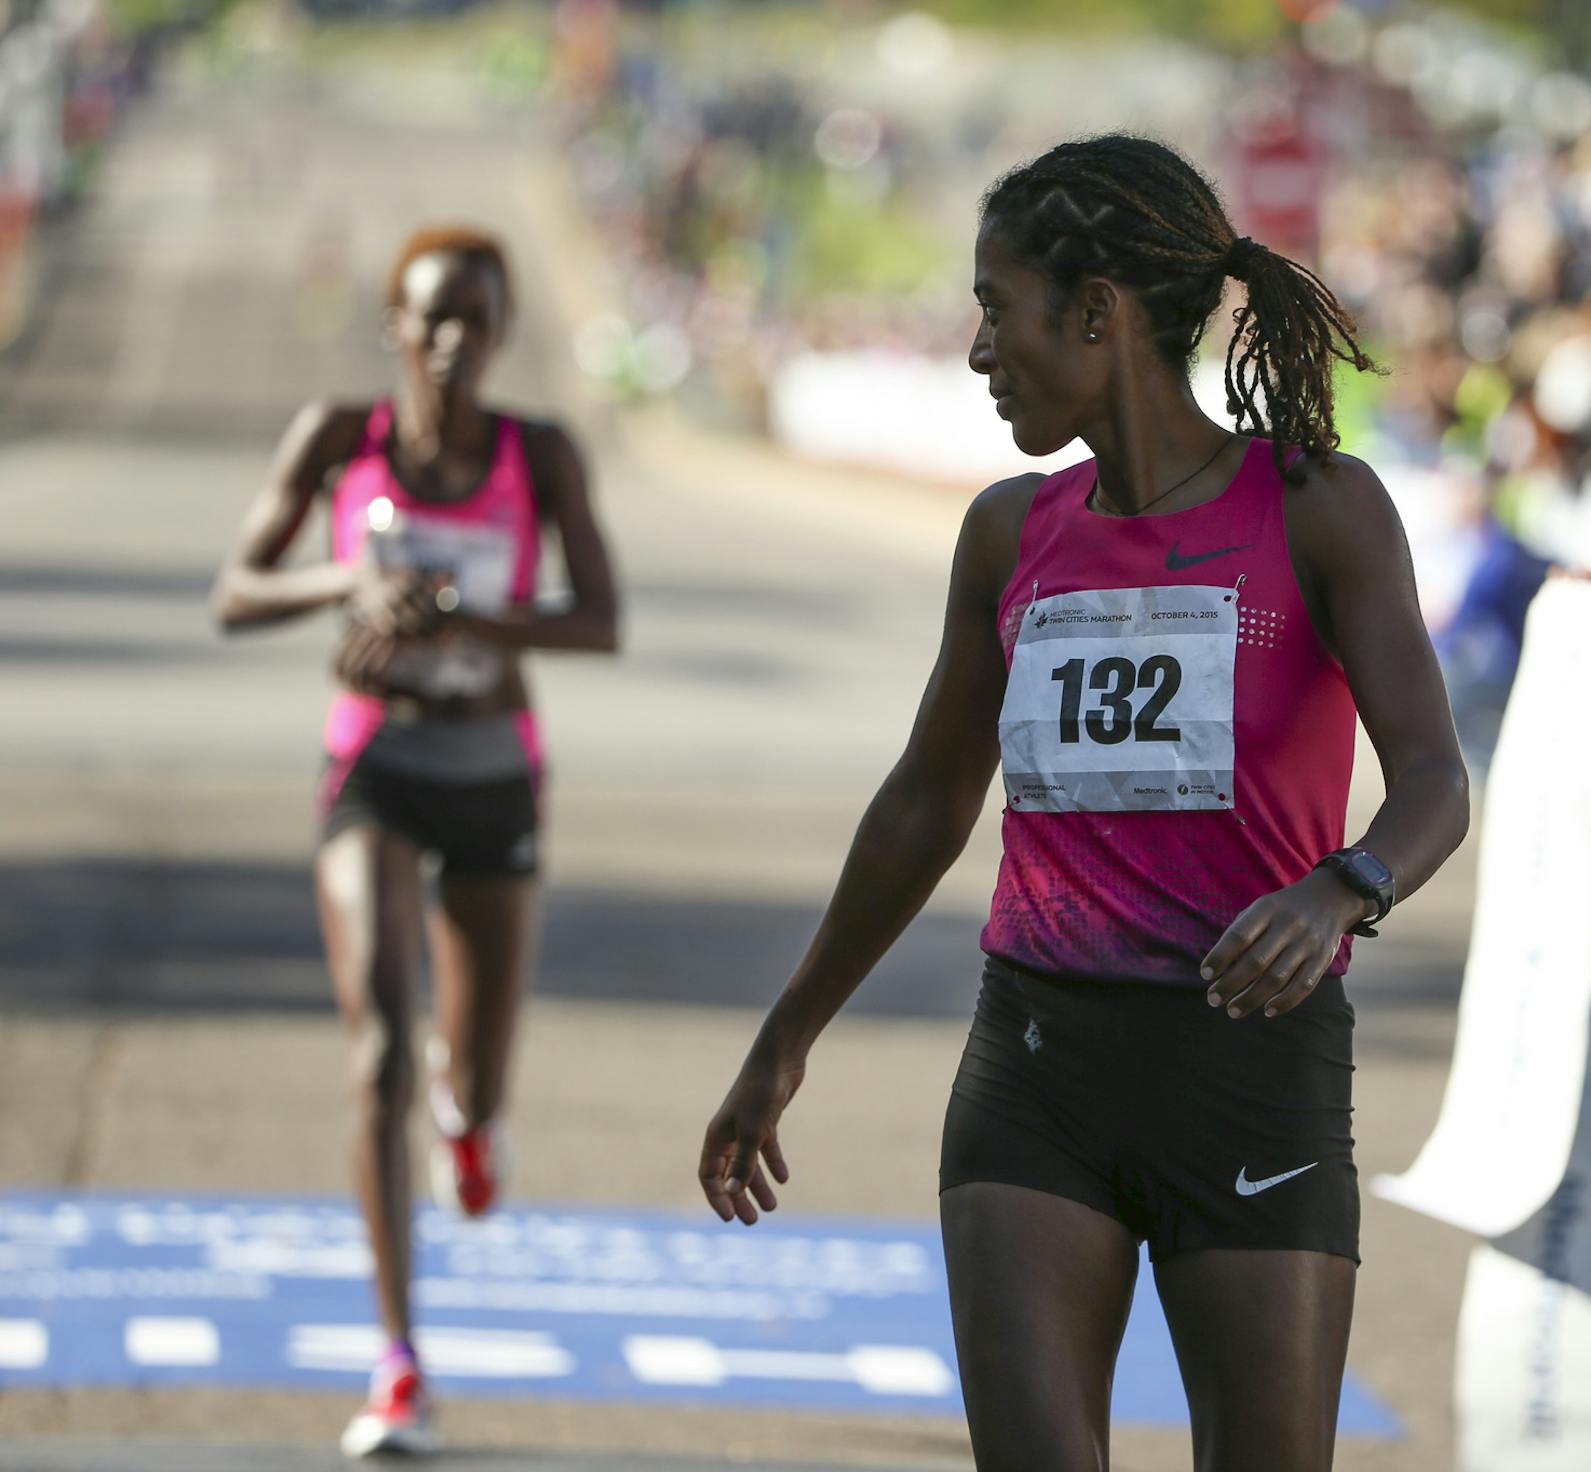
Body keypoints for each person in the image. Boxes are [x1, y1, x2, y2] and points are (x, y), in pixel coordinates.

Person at [697, 134, 1469, 1472]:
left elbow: (1437, 783)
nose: (982, 350)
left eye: (999, 310)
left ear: (1097, 313)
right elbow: (926, 802)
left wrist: (1346, 885)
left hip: (1251, 1072)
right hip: (1035, 1073)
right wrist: (787, 1033)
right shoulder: (1009, 530)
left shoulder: (1318, 509)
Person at [210, 225, 620, 1458]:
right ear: (393, 322)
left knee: (470, 1078)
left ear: (501, 333)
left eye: (479, 320)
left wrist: (473, 618)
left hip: (493, 768)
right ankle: (399, 1363)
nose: (453, 343)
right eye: (433, 317)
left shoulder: (536, 453)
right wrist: (347, 587)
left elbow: (600, 621)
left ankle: (471, 1118)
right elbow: (235, 588)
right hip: (375, 762)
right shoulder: (341, 439)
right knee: (381, 1048)